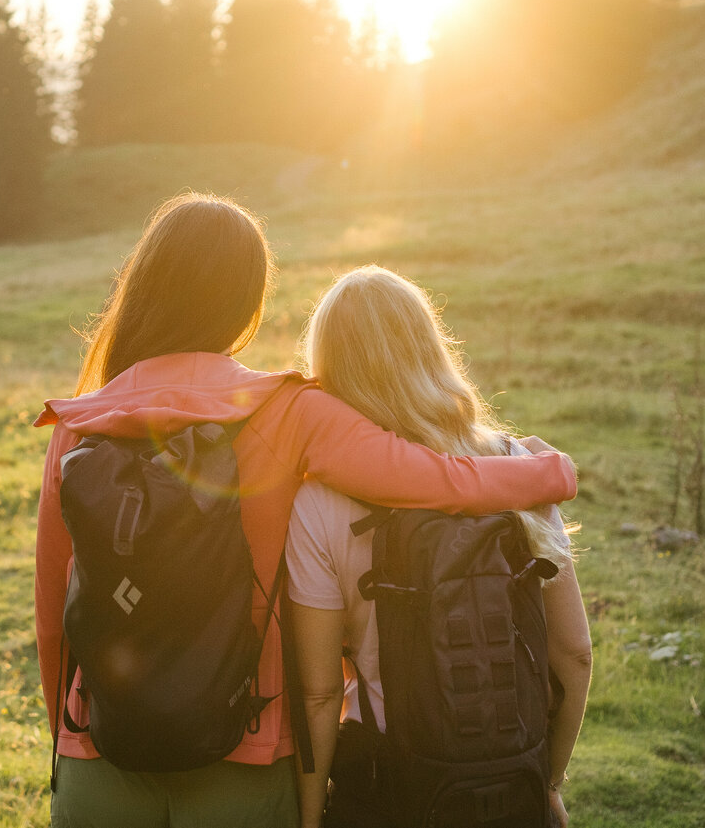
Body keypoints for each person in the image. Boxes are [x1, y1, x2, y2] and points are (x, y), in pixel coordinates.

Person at [33, 194, 579, 828]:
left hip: (99, 751)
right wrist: (549, 472)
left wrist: (71, 735)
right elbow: (432, 480)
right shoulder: (288, 412)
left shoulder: (79, 421)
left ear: (145, 285)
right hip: (244, 752)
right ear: (247, 301)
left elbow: (54, 616)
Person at [285, 265, 594, 828]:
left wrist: (310, 818)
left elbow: (320, 694)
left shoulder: (320, 503)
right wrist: (546, 783)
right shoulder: (517, 468)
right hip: (510, 779)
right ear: (430, 349)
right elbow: (574, 656)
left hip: (384, 789)